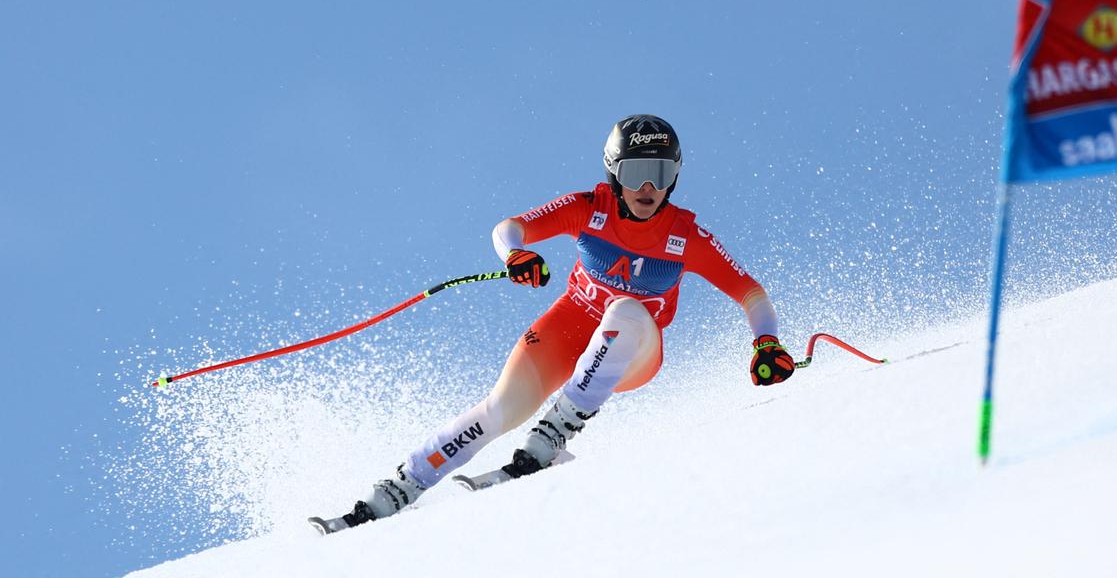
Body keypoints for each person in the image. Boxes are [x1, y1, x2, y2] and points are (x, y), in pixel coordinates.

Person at [310, 114, 794, 533]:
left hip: (633, 350)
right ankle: (394, 491)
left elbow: (750, 293)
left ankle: (548, 441)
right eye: (636, 172)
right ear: (613, 172)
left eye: (660, 173)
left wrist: (766, 342)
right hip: (568, 327)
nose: (648, 188)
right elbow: (510, 228)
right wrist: (516, 252)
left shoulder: (686, 235)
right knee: (501, 408)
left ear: (675, 176)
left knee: (626, 310)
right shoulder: (589, 208)